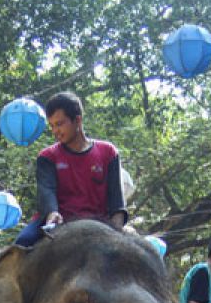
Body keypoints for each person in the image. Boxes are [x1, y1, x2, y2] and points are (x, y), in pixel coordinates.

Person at [14, 91, 127, 247]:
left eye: (59, 124)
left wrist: (117, 233)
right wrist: (52, 213)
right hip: (59, 222)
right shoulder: (48, 156)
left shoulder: (108, 152)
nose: (55, 131)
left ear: (77, 120)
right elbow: (46, 191)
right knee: (22, 243)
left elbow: (117, 204)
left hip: (100, 224)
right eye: (52, 126)